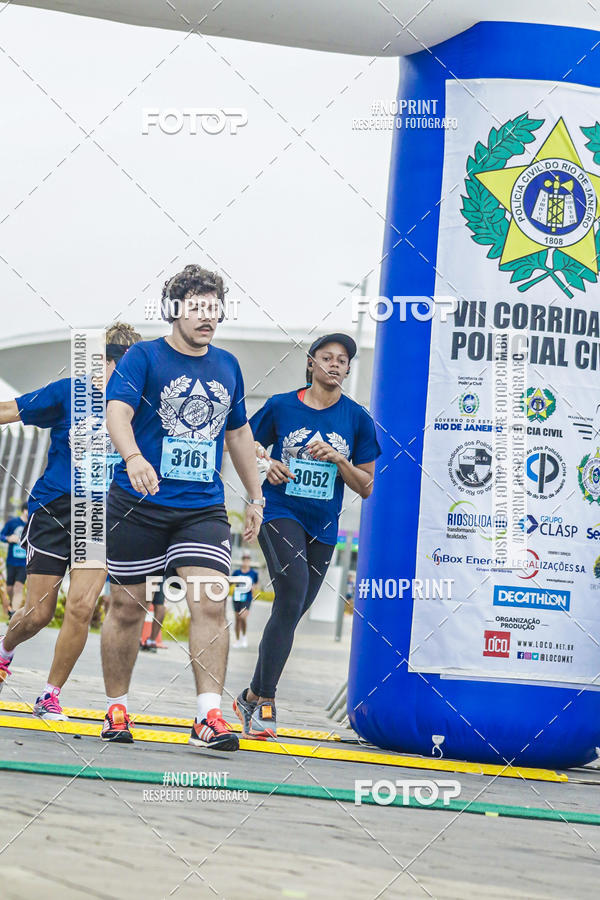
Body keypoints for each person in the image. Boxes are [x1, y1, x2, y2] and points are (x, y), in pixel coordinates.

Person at [101, 264, 264, 750]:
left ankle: (207, 717)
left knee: (210, 601)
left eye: (214, 308)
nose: (207, 317)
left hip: (201, 507)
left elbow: (237, 434)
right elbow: (118, 411)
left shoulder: (228, 365)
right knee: (127, 608)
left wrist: (256, 496)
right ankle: (117, 709)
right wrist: (132, 457)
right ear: (174, 310)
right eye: (196, 308)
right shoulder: (143, 357)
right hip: (139, 503)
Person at [233, 333, 381, 739]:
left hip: (324, 525)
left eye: (342, 360)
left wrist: (339, 458)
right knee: (293, 592)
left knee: (291, 609)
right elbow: (244, 444)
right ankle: (265, 701)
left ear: (348, 370)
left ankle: (250, 694)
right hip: (280, 511)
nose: (335, 364)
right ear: (311, 363)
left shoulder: (357, 419)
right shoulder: (281, 405)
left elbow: (366, 485)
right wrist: (267, 465)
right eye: (327, 357)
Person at [0, 323, 141, 716]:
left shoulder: (141, 407)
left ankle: (50, 694)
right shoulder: (69, 393)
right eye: (125, 365)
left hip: (100, 514)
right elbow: (11, 410)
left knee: (81, 606)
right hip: (54, 508)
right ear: (104, 361)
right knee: (38, 614)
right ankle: (4, 652)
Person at [1, 502, 29, 618]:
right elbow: (1, 535)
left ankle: (14, 613)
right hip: (11, 561)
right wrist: (8, 538)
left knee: (19, 586)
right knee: (9, 588)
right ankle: (12, 607)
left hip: (25, 563)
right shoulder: (13, 523)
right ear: (24, 510)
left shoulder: (32, 524)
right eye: (29, 510)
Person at [231, 551, 258, 648]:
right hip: (237, 597)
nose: (246, 562)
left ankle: (244, 636)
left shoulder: (253, 573)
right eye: (244, 560)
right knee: (237, 619)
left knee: (243, 617)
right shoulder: (236, 572)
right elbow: (230, 583)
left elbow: (256, 584)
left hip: (247, 598)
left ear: (249, 561)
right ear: (242, 561)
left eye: (247, 560)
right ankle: (238, 640)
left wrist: (253, 588)